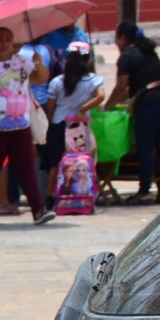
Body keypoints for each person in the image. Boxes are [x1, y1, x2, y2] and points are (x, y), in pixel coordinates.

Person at [0, 27, 53, 224]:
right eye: (0, 40)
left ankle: (38, 210)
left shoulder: (22, 63)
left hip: (20, 125)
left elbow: (40, 78)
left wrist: (38, 63)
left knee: (26, 167)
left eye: (8, 39)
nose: (4, 43)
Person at [106, 23, 160, 204]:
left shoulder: (126, 57)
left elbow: (121, 87)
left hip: (149, 105)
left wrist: (107, 106)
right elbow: (137, 86)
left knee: (146, 148)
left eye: (116, 38)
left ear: (123, 38)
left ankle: (144, 192)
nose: (116, 43)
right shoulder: (149, 51)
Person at [43, 41, 106, 207]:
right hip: (82, 127)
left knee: (55, 163)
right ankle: (86, 193)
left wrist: (47, 129)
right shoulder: (94, 81)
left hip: (59, 126)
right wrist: (83, 109)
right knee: (83, 160)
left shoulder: (57, 82)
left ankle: (50, 197)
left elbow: (50, 109)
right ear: (87, 61)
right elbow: (101, 97)